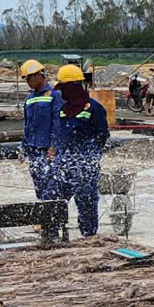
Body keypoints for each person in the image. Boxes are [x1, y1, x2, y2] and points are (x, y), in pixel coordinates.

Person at [50, 63, 111, 237]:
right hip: (63, 165)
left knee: (86, 200)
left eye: (64, 89)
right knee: (56, 200)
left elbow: (102, 135)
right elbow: (58, 133)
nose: (61, 93)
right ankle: (56, 234)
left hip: (85, 166)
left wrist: (90, 156)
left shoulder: (94, 108)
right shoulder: (62, 109)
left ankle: (88, 236)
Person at [19, 59, 60, 212]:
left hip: (47, 148)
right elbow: (27, 126)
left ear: (38, 75)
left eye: (29, 78)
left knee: (50, 183)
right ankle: (44, 215)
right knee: (38, 183)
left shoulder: (54, 96)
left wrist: (54, 146)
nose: (27, 82)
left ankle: (49, 218)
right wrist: (23, 147)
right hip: (33, 148)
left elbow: (57, 123)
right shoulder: (29, 99)